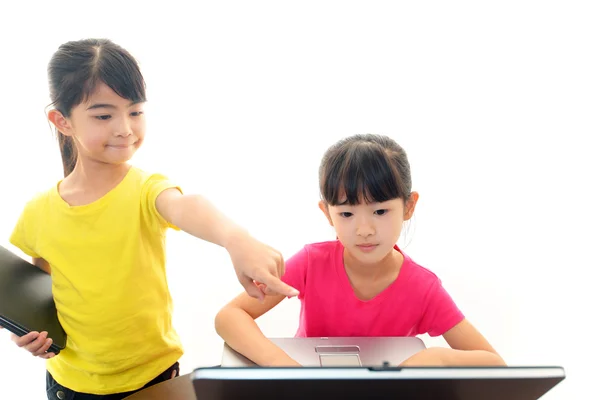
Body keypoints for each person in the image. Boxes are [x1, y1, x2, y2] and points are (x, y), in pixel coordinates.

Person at [2, 38, 298, 399]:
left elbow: (187, 205)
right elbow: (41, 294)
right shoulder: (38, 213)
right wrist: (27, 334)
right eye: (103, 115)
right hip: (69, 384)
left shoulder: (145, 189)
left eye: (135, 111)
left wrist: (235, 238)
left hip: (152, 378)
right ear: (62, 120)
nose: (125, 128)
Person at [215, 133, 505, 367]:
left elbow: (495, 365)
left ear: (408, 206)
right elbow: (230, 316)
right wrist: (283, 366)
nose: (364, 229)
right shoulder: (311, 263)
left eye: (380, 211)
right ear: (327, 214)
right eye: (347, 214)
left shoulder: (423, 288)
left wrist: (438, 358)